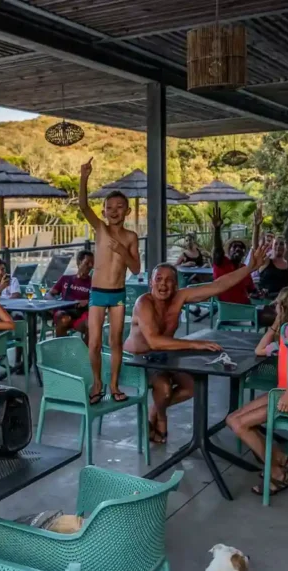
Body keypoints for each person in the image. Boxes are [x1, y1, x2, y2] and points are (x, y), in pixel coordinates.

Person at [127, 250, 267, 443]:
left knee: (193, 388)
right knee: (165, 389)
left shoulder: (179, 297)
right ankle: (159, 416)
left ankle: (157, 407)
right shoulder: (144, 303)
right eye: (158, 279)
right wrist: (196, 343)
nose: (163, 284)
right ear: (150, 282)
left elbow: (218, 285)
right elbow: (154, 341)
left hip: (163, 356)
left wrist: (250, 268)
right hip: (138, 360)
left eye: (169, 280)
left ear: (176, 285)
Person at [227, 288, 288, 497]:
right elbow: (259, 351)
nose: (274, 307)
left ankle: (277, 473)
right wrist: (275, 325)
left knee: (238, 423)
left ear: (283, 308)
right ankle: (282, 459)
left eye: (277, 305)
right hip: (284, 392)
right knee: (232, 419)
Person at [79, 158, 141, 405]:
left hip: (118, 294)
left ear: (127, 211)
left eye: (119, 207)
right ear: (104, 210)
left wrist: (123, 252)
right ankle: (97, 383)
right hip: (97, 292)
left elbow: (136, 269)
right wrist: (84, 177)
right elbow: (83, 206)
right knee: (93, 342)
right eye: (109, 207)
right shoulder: (101, 230)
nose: (114, 211)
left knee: (115, 341)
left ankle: (114, 384)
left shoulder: (131, 236)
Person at [210, 215, 254, 305]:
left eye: (241, 247)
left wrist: (259, 293)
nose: (238, 249)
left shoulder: (244, 268)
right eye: (234, 246)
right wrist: (217, 229)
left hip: (245, 307)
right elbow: (218, 249)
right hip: (227, 309)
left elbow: (252, 290)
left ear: (244, 253)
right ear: (229, 251)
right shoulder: (221, 262)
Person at [49, 250, 93, 339]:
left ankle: (85, 351)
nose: (90, 266)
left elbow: (98, 299)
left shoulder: (92, 282)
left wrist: (87, 301)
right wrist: (54, 303)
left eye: (92, 263)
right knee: (62, 318)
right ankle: (63, 349)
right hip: (65, 311)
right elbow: (50, 294)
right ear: (79, 262)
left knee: (92, 324)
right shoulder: (67, 278)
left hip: (81, 313)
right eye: (87, 263)